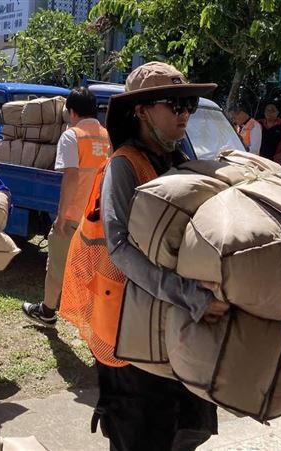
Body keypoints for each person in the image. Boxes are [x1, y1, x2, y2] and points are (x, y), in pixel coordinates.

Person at [59, 62, 229, 451]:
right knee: (141, 433)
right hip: (128, 329)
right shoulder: (124, 165)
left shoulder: (178, 159)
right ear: (141, 111)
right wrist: (192, 295)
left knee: (188, 427)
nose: (184, 113)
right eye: (174, 104)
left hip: (169, 322)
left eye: (188, 103)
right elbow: (119, 249)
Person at [21, 87, 111, 327]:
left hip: (73, 216)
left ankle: (47, 311)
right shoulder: (105, 136)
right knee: (93, 270)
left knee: (57, 267)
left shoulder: (72, 136)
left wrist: (61, 216)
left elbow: (71, 177)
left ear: (72, 112)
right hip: (97, 217)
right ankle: (96, 320)